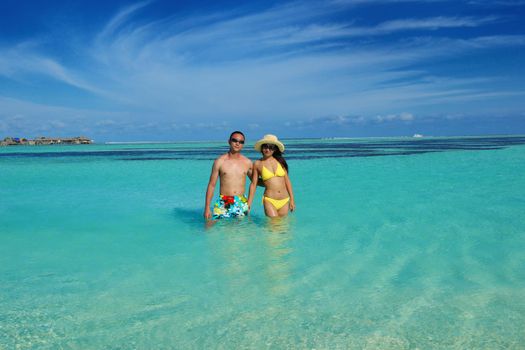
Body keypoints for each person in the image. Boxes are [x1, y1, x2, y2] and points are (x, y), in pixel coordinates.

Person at [204, 131, 254, 220]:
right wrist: (207, 208)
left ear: (243, 144)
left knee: (240, 232)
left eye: (241, 142)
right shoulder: (219, 162)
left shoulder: (247, 163)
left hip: (241, 201)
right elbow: (211, 185)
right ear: (229, 141)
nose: (237, 143)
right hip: (224, 201)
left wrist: (275, 182)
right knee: (210, 228)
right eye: (235, 140)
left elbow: (255, 181)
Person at [248, 134, 295, 217]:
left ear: (275, 149)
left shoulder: (280, 161)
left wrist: (292, 200)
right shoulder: (257, 164)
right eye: (265, 147)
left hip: (284, 200)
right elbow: (253, 184)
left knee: (282, 227)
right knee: (273, 226)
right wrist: (249, 204)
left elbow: (287, 181)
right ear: (262, 148)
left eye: (271, 147)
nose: (268, 149)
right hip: (270, 200)